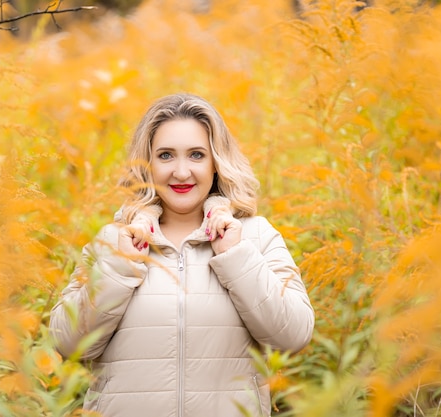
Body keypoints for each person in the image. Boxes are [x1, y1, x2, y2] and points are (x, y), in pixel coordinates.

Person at [49, 93, 314, 417]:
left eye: (196, 155)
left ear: (216, 162)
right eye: (165, 155)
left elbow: (294, 334)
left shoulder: (254, 236)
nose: (181, 171)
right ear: (146, 164)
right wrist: (121, 266)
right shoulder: (112, 240)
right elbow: (69, 343)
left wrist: (236, 257)